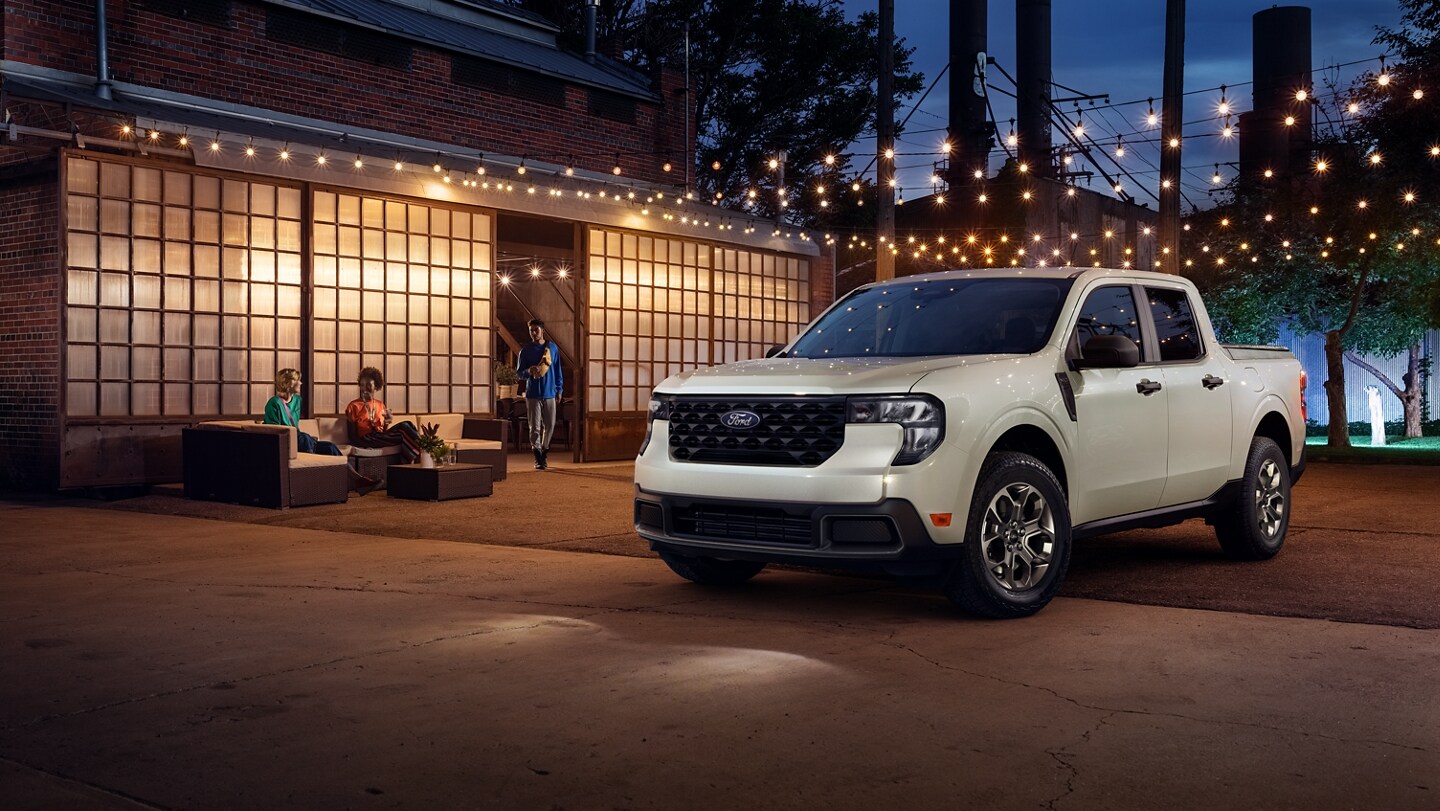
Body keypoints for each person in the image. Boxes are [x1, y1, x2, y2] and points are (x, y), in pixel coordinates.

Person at [267, 368, 379, 495]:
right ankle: (310, 484)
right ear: (289, 383)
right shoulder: (274, 403)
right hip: (285, 443)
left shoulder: (297, 400)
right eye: (298, 381)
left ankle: (358, 480)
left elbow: (295, 427)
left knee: (330, 447)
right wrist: (301, 437)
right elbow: (274, 430)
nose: (301, 383)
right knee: (304, 438)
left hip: (299, 440)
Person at [345, 366, 422, 464]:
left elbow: (383, 432)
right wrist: (365, 445)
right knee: (404, 428)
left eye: (368, 385)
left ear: (376, 386)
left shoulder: (380, 405)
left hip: (379, 436)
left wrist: (386, 422)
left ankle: (416, 457)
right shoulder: (353, 406)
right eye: (362, 385)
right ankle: (422, 453)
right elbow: (352, 437)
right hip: (365, 439)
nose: (364, 388)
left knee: (408, 424)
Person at [516, 318, 563, 470]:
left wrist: (559, 389)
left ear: (543, 330)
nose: (534, 333)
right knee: (534, 427)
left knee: (550, 425)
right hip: (533, 394)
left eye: (536, 330)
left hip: (550, 392)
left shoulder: (553, 348)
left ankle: (544, 451)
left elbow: (557, 370)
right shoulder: (526, 350)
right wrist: (529, 371)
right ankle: (537, 456)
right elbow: (519, 374)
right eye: (531, 331)